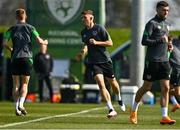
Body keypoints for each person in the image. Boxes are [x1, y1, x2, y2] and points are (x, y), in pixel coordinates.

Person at [130, 1, 176, 125]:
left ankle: (164, 116)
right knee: (146, 87)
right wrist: (159, 40)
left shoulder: (167, 24)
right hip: (152, 61)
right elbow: (144, 41)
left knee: (166, 88)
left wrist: (169, 45)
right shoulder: (151, 24)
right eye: (163, 10)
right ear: (157, 10)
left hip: (164, 61)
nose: (165, 12)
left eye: (167, 10)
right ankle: (134, 110)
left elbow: (165, 40)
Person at [76, 10, 125, 118]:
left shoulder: (99, 28)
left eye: (85, 17)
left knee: (113, 83)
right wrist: (82, 52)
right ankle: (111, 109)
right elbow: (86, 45)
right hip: (94, 62)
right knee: (100, 84)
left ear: (91, 18)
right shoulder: (83, 32)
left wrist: (97, 42)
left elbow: (110, 43)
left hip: (105, 60)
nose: (83, 20)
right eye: (82, 18)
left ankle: (119, 98)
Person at [3, 8, 48, 116]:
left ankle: (16, 108)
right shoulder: (31, 28)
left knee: (16, 84)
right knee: (24, 83)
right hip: (27, 58)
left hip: (15, 58)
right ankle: (21, 104)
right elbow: (39, 41)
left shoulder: (11, 29)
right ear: (25, 16)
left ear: (16, 17)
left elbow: (4, 43)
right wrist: (45, 42)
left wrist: (11, 49)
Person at [169, 35, 180, 112]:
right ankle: (175, 103)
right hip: (176, 69)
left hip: (175, 70)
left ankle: (175, 103)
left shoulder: (170, 46)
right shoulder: (175, 45)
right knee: (168, 88)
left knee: (176, 92)